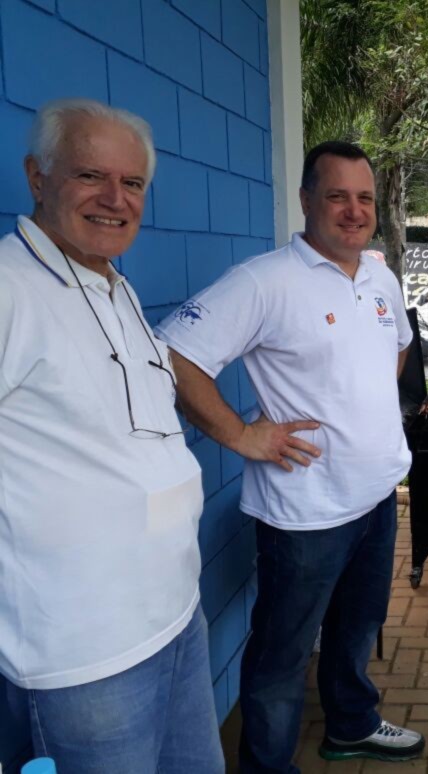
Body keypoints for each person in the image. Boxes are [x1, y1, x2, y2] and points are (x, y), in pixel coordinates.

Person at [155, 141, 423, 773]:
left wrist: (364, 411)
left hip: (377, 497)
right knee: (283, 654)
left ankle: (351, 725)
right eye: (337, 196)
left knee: (357, 629)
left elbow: (398, 346)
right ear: (306, 200)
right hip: (305, 512)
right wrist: (242, 435)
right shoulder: (265, 281)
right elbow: (173, 355)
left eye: (364, 198)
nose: (354, 211)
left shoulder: (380, 277)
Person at [0, 99, 222, 773]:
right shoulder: (9, 288)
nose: (114, 199)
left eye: (132, 183)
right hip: (83, 656)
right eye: (90, 175)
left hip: (177, 614)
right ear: (38, 178)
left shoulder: (114, 287)